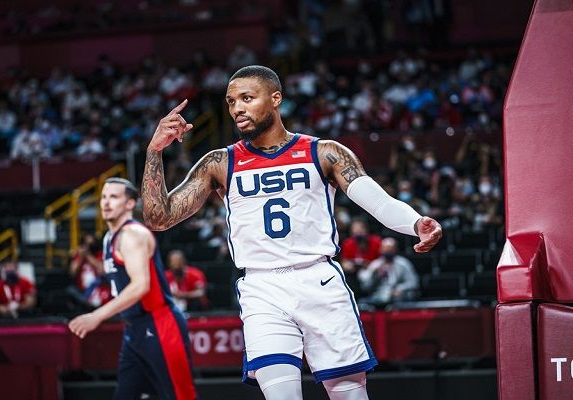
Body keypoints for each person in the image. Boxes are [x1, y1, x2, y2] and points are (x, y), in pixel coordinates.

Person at [141, 65, 442, 400]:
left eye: (247, 98)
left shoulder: (324, 152)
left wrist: (415, 222)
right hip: (262, 287)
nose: (237, 108)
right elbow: (158, 218)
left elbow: (379, 202)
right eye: (231, 102)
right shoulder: (219, 162)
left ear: (275, 99)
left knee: (350, 395)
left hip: (319, 280)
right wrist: (154, 151)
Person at [68, 177, 196, 400]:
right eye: (104, 197)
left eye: (114, 197)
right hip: (134, 328)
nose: (106, 202)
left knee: (181, 396)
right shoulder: (109, 238)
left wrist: (97, 316)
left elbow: (140, 285)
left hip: (159, 323)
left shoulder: (133, 235)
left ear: (129, 203)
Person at [358, 238, 420, 306]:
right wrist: (375, 275)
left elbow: (414, 282)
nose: (388, 251)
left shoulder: (403, 263)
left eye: (390, 249)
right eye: (386, 249)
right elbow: (365, 286)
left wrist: (400, 288)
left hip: (399, 298)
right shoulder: (376, 264)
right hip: (378, 297)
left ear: (395, 249)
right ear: (381, 250)